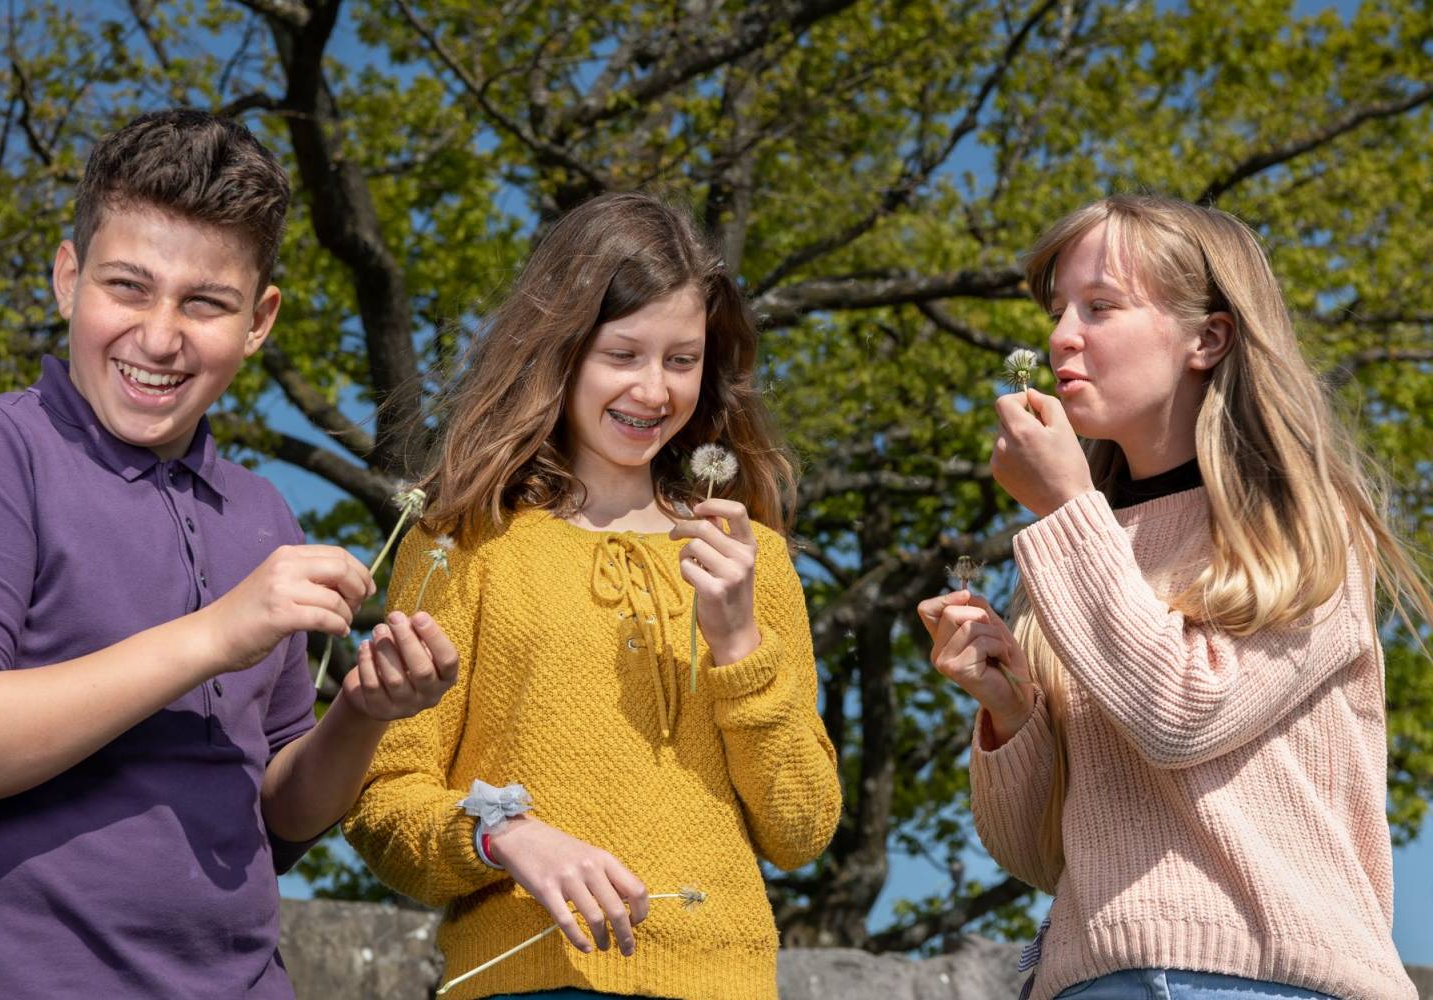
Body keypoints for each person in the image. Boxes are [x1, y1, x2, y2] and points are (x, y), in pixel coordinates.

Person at [0, 109, 457, 999]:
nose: (160, 336)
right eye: (128, 287)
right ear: (69, 280)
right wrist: (218, 633)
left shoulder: (264, 514)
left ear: (258, 323)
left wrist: (364, 715)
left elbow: (282, 818)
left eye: (205, 303)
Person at [918, 194, 1431, 1000]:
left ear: (1208, 337)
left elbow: (1181, 716)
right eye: (1058, 310)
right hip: (1094, 978)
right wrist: (1008, 708)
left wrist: (1063, 509)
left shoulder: (1305, 525)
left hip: (1268, 982)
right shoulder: (1090, 542)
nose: (1059, 336)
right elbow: (1036, 853)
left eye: (1101, 306)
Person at [342, 191, 841, 1000]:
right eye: (624, 354)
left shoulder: (751, 559)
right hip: (530, 980)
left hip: (727, 982)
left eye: (682, 360)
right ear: (561, 351)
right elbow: (382, 804)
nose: (654, 389)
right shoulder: (462, 543)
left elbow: (801, 828)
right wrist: (503, 836)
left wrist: (740, 643)